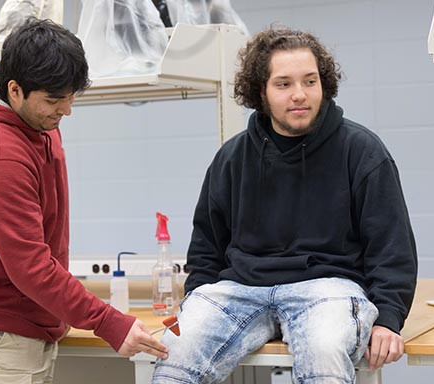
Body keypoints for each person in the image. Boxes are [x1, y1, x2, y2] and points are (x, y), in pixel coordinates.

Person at [153, 26, 417, 384]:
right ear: (260, 92)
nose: (300, 95)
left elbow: (392, 246)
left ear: (324, 85)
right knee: (176, 349)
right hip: (240, 288)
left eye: (310, 81)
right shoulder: (232, 157)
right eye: (283, 84)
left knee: (325, 350)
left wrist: (388, 317)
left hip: (328, 287)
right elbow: (206, 247)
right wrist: (197, 305)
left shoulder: (362, 151)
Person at [0, 18, 167, 383]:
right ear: (15, 90)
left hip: (20, 324)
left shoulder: (38, 125)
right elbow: (30, 265)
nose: (66, 110)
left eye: (71, 97)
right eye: (54, 100)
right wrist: (108, 322)